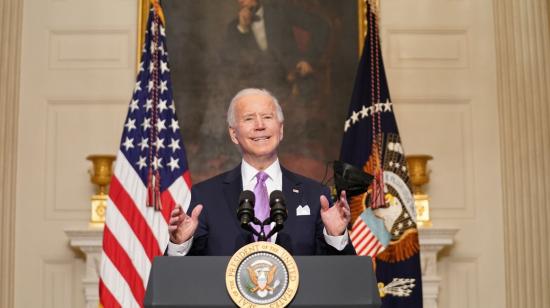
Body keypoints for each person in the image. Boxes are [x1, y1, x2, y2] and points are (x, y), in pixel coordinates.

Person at [167, 88, 355, 256]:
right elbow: (185, 279)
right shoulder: (206, 195)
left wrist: (336, 236)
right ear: (234, 134)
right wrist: (180, 243)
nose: (260, 125)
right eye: (249, 118)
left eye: (267, 117)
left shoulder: (315, 195)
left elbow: (338, 278)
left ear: (280, 130)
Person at [219, 0, 329, 102]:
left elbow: (321, 25)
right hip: (257, 87)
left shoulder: (281, 10)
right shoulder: (235, 27)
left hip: (293, 78)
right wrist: (243, 29)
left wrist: (308, 59)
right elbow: (230, 60)